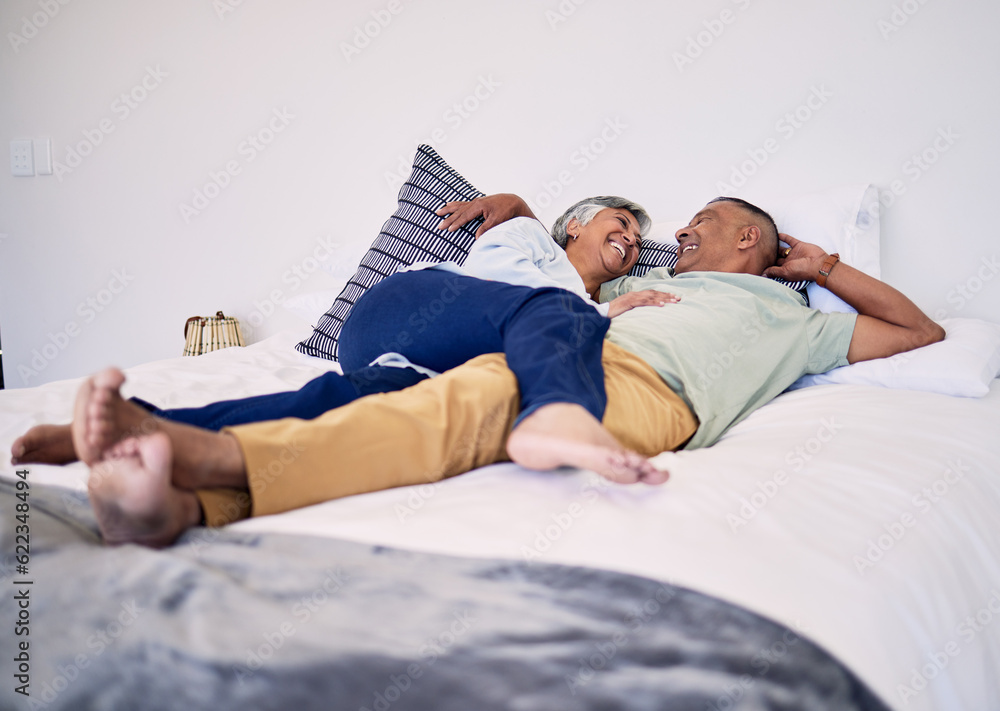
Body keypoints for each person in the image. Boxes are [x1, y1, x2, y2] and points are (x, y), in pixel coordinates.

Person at [77, 195, 944, 548]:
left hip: (644, 392)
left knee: (450, 411)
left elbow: (919, 329)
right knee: (429, 400)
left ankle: (201, 469)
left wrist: (821, 267)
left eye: (704, 223)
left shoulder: (790, 322)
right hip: (548, 350)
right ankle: (183, 489)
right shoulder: (640, 279)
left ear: (752, 240)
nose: (678, 234)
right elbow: (558, 263)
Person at [13, 195, 677, 482]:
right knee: (547, 316)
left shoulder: (590, 305)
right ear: (575, 226)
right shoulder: (532, 243)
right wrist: (592, 312)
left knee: (334, 402)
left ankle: (137, 429)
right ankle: (557, 419)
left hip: (419, 365)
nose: (629, 239)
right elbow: (497, 284)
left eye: (637, 238)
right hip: (404, 313)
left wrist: (606, 312)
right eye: (618, 221)